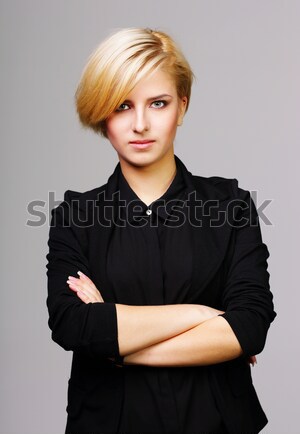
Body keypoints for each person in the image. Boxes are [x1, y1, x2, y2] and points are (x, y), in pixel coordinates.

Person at [46, 27, 276, 434]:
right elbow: (72, 326)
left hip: (217, 422)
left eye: (158, 103)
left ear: (182, 106)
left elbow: (249, 327)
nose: (140, 124)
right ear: (102, 112)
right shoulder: (75, 215)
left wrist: (117, 348)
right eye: (121, 105)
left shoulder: (232, 205)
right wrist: (201, 316)